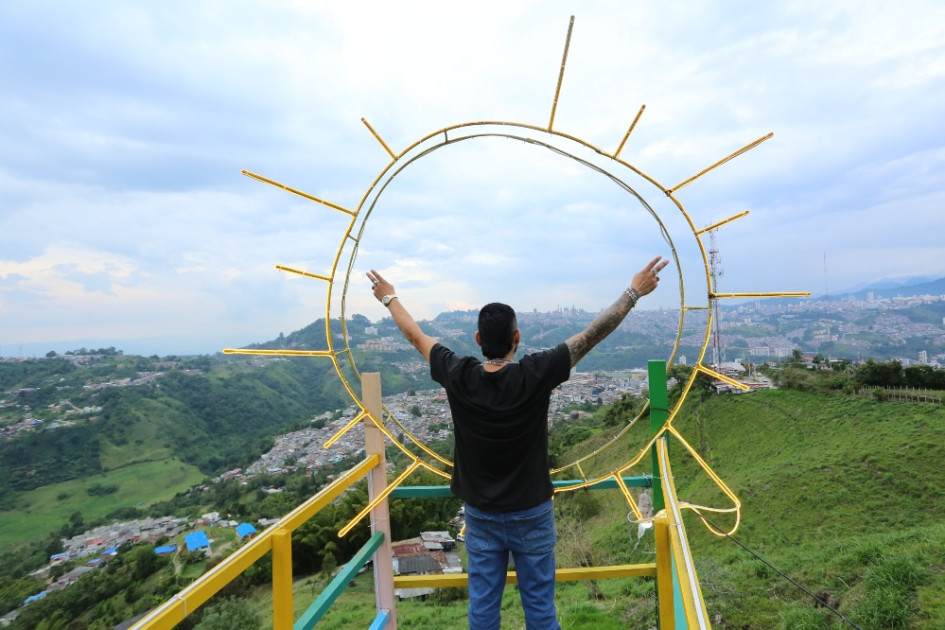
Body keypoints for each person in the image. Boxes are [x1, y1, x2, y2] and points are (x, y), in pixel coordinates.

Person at [366, 256, 668, 630]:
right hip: (532, 511)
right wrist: (633, 292)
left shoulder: (458, 374)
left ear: (478, 339)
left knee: (483, 610)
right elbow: (592, 334)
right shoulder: (536, 373)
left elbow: (414, 335)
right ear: (517, 338)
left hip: (480, 514)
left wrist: (389, 297)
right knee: (540, 610)